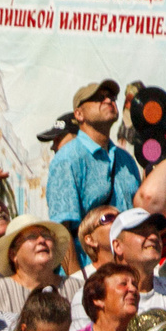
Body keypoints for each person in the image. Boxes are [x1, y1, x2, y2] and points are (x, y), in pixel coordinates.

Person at [44, 80, 141, 224]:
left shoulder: (126, 159)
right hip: (89, 247)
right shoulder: (67, 160)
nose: (108, 100)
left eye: (112, 97)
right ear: (79, 114)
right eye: (99, 98)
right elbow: (64, 230)